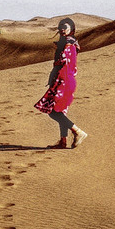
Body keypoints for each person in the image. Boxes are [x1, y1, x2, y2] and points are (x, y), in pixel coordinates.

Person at [35, 17, 88, 149]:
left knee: (53, 111)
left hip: (64, 80)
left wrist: (57, 78)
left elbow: (65, 62)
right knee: (61, 111)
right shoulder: (66, 42)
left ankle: (78, 131)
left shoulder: (69, 43)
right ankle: (63, 141)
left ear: (71, 29)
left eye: (65, 27)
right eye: (60, 28)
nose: (62, 30)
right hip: (63, 79)